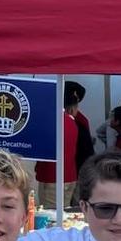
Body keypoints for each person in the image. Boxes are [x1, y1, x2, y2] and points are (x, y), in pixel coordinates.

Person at [36, 81, 93, 209]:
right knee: (65, 214)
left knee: (52, 217)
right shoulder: (73, 122)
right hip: (70, 175)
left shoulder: (52, 120)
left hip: (52, 176)